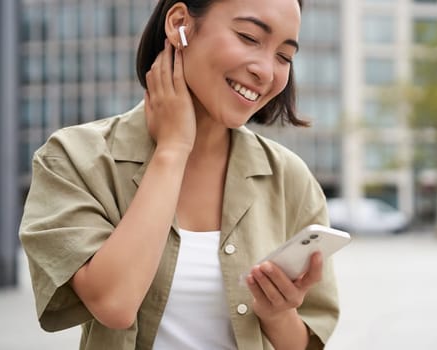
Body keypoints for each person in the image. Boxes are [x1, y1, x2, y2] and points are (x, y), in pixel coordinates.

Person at [18, 0, 339, 349]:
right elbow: (114, 304)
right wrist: (172, 150)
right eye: (249, 37)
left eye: (284, 56)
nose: (265, 70)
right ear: (179, 22)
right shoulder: (74, 159)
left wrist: (278, 314)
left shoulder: (289, 178)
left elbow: (306, 343)